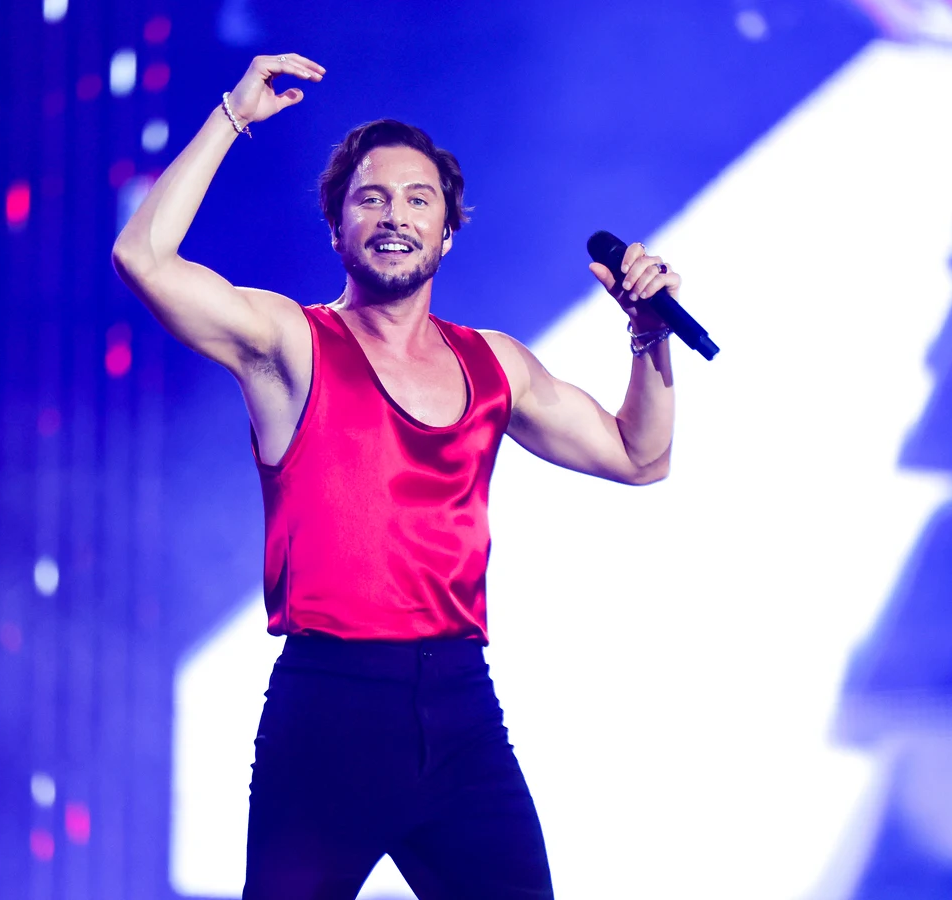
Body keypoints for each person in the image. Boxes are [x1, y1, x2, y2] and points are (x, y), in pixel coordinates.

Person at [113, 53, 680, 900]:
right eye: (370, 198)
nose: (394, 216)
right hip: (326, 715)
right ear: (337, 228)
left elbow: (643, 457)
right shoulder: (291, 344)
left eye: (419, 200)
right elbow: (144, 257)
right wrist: (232, 114)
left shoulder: (495, 364)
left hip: (459, 715)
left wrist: (647, 334)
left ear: (447, 231)